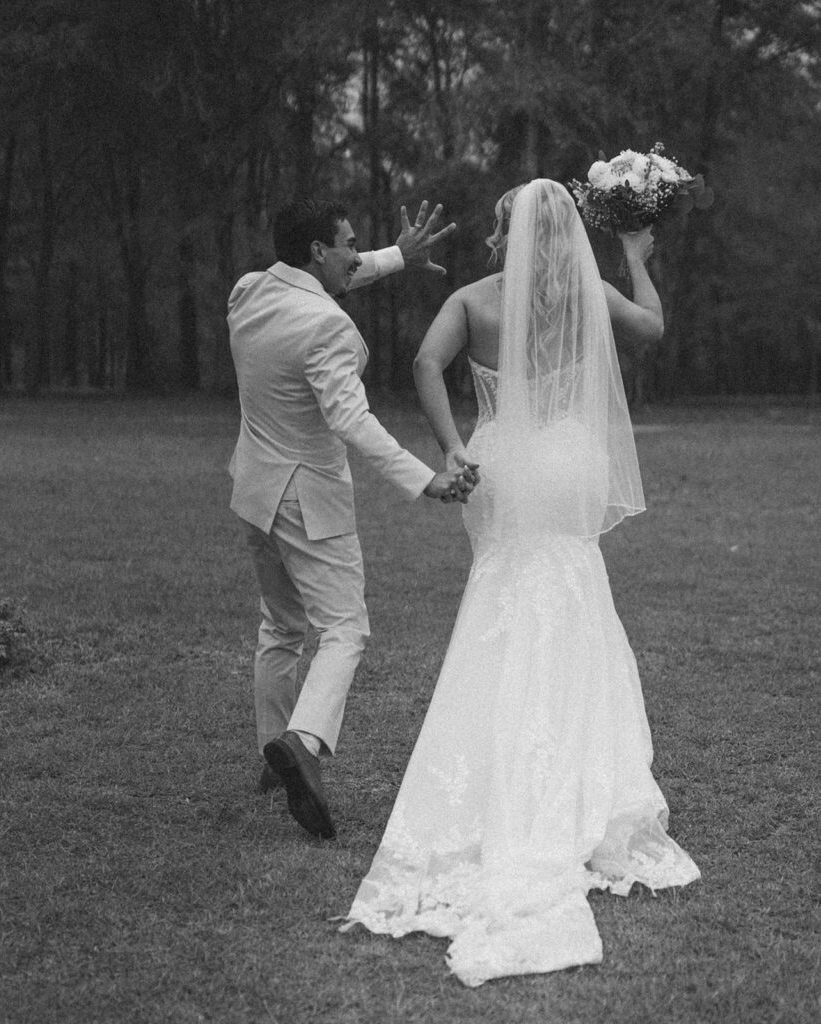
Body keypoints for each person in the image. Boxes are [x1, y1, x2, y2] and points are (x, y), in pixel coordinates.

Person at [342, 180, 699, 985]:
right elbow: (654, 328)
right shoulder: (591, 294)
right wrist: (635, 259)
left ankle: (497, 748)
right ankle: (582, 768)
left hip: (503, 461)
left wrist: (453, 447)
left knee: (502, 594)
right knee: (573, 587)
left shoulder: (473, 299)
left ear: (509, 233)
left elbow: (424, 363)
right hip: (570, 460)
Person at [227, 197, 477, 843]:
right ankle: (303, 745)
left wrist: (399, 255)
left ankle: (271, 754)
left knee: (281, 625)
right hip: (308, 497)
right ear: (318, 250)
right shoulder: (328, 326)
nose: (358, 252)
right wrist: (425, 479)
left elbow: (335, 275)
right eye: (350, 241)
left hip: (253, 488)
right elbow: (351, 421)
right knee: (346, 628)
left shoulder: (249, 292)